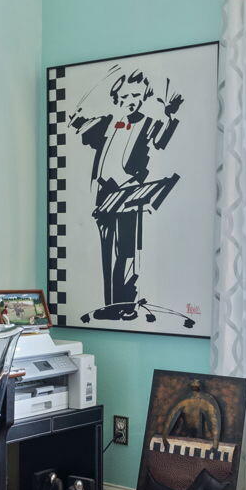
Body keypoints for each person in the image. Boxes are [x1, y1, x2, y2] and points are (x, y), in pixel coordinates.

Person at [67, 68, 183, 321]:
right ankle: (111, 305)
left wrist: (170, 115)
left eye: (137, 96)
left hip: (129, 195)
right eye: (126, 96)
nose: (131, 100)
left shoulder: (149, 124)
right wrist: (74, 119)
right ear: (117, 97)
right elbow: (82, 130)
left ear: (144, 97)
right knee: (107, 253)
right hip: (104, 196)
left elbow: (161, 140)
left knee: (127, 252)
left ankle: (127, 303)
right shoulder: (108, 122)